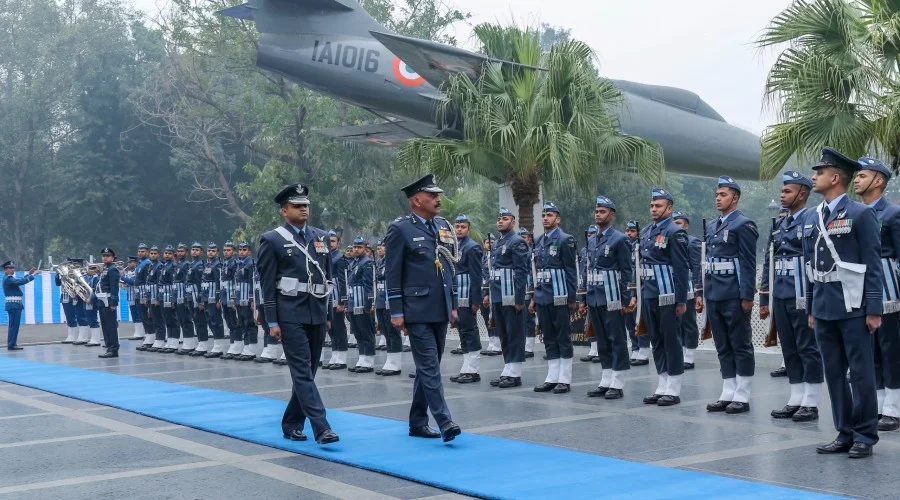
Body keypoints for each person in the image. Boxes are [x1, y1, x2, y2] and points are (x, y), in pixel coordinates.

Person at [806, 147, 882, 459]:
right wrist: (811, 306)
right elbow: (809, 265)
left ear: (835, 177)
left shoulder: (860, 214)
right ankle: (844, 431)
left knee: (861, 372)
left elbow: (872, 263)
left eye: (820, 172)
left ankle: (865, 434)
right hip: (823, 306)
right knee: (834, 372)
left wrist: (874, 309)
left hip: (853, 306)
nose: (815, 176)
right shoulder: (814, 217)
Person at [258, 182, 338, 445]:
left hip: (315, 311)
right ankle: (322, 427)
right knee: (302, 371)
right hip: (289, 313)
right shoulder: (272, 240)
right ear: (284, 210)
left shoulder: (321, 237)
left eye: (306, 206)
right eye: (297, 206)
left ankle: (291, 422)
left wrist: (327, 313)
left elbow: (327, 277)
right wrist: (271, 320)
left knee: (309, 372)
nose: (303, 210)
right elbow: (267, 284)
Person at [385, 173, 461, 442]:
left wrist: (452, 304)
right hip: (415, 309)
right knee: (429, 367)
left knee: (429, 367)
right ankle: (445, 421)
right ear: (417, 200)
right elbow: (392, 272)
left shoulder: (441, 226)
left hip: (439, 307)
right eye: (432, 196)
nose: (438, 199)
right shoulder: (400, 228)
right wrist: (396, 311)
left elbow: (450, 267)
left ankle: (417, 422)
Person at [760, 171, 823, 422]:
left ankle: (812, 401)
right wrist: (765, 296)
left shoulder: (812, 218)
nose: (782, 195)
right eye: (782, 190)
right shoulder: (781, 224)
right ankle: (796, 397)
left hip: (802, 291)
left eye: (787, 191)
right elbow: (770, 261)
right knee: (789, 348)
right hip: (782, 292)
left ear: (803, 193)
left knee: (808, 347)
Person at [703, 177, 758, 414]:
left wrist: (747, 295)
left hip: (734, 293)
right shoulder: (712, 226)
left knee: (740, 343)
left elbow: (748, 262)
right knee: (722, 343)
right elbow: (707, 262)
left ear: (734, 197)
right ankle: (728, 390)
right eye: (717, 194)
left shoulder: (743, 225)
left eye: (723, 194)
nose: (718, 198)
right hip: (715, 292)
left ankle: (743, 394)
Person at [854, 157, 900, 432]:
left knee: (890, 348)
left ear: (879, 180)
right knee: (871, 352)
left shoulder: (892, 214)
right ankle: (880, 405)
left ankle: (893, 408)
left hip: (888, 289)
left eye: (863, 175)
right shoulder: (857, 212)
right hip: (860, 288)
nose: (857, 180)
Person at [639, 188, 690, 407]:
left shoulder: (674, 231)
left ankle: (674, 387)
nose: (653, 209)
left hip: (667, 292)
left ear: (669, 208)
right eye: (652, 205)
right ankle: (662, 384)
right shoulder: (647, 231)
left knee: (671, 340)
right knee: (656, 340)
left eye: (658, 206)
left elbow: (681, 268)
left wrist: (681, 300)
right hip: (649, 292)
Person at [584, 196, 634, 399]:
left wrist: (625, 299)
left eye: (603, 211)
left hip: (612, 296)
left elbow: (626, 271)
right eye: (597, 211)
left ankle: (618, 382)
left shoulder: (620, 239)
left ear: (612, 215)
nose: (598, 214)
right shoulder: (592, 239)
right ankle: (606, 379)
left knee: (616, 338)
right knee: (602, 340)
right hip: (595, 295)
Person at [531, 202, 577, 394]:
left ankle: (564, 379)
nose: (545, 219)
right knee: (548, 337)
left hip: (559, 295)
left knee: (562, 337)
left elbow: (570, 271)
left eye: (549, 215)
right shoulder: (539, 240)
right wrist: (534, 296)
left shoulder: (565, 239)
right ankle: (552, 376)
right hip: (543, 296)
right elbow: (537, 271)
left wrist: (572, 298)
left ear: (557, 219)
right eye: (543, 215)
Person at [487, 207, 530, 388]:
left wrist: (519, 299)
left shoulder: (517, 242)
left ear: (513, 222)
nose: (500, 221)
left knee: (514, 334)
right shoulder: (498, 242)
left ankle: (515, 372)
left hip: (511, 295)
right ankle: (508, 369)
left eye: (504, 219)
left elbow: (521, 272)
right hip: (498, 294)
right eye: (499, 219)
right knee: (503, 334)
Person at [449, 214, 484, 384]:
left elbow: (477, 276)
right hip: (456, 295)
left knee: (470, 331)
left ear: (468, 228)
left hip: (467, 294)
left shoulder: (473, 247)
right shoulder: (453, 247)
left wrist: (476, 300)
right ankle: (466, 367)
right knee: (462, 331)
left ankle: (474, 369)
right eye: (457, 226)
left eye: (463, 226)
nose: (459, 229)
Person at [672, 212, 703, 369]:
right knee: (676, 322)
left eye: (678, 223)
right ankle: (681, 351)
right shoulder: (670, 241)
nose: (675, 225)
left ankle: (689, 355)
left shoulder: (692, 242)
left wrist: (698, 290)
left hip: (689, 286)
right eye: (673, 223)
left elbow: (696, 267)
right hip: (673, 286)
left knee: (688, 321)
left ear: (686, 225)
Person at [348, 236, 376, 373]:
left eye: (359, 247)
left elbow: (369, 285)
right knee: (358, 332)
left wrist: (369, 303)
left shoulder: (367, 263)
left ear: (365, 249)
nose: (356, 250)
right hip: (353, 301)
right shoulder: (354, 262)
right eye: (355, 247)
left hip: (362, 302)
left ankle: (369, 361)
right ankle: (362, 358)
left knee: (366, 332)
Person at [374, 240, 403, 376]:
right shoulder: (379, 262)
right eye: (378, 248)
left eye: (383, 247)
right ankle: (390, 360)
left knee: (393, 332)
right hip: (380, 299)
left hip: (390, 299)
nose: (380, 250)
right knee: (385, 330)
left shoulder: (393, 260)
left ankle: (395, 363)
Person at [624, 221, 650, 365]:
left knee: (640, 319)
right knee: (629, 321)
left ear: (638, 233)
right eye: (627, 230)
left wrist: (635, 291)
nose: (629, 233)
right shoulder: (623, 247)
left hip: (639, 288)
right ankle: (635, 348)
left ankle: (644, 349)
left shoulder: (640, 246)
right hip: (626, 288)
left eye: (632, 231)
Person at [324, 231, 350, 370]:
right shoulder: (325, 256)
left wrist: (342, 301)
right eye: (328, 241)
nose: (330, 244)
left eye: (333, 241)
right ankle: (335, 354)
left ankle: (342, 357)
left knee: (339, 327)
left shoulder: (339, 258)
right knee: (331, 328)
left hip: (336, 296)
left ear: (338, 243)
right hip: (327, 297)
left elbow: (343, 280)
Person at [3, 261, 37, 350]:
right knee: (14, 326)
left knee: (13, 326)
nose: (13, 269)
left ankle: (12, 343)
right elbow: (20, 281)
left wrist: (29, 274)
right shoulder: (8, 279)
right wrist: (32, 276)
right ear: (6, 270)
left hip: (14, 305)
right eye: (10, 268)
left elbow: (19, 280)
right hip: (14, 305)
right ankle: (11, 344)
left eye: (13, 268)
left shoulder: (8, 278)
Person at [201, 243, 227, 357]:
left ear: (217, 252)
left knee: (216, 321)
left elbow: (218, 282)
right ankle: (216, 344)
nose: (210, 252)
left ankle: (218, 346)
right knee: (210, 320)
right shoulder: (207, 264)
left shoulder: (217, 264)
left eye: (213, 250)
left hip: (213, 296)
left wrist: (218, 298)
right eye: (209, 250)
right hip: (206, 296)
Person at [234, 241, 258, 361]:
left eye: (244, 250)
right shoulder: (239, 264)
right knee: (242, 323)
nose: (242, 252)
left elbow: (252, 282)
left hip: (247, 297)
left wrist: (252, 298)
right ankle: (246, 346)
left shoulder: (251, 263)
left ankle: (252, 349)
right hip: (239, 297)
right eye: (240, 249)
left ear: (249, 251)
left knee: (250, 323)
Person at [580, 225, 600, 363]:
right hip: (587, 286)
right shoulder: (584, 250)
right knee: (590, 320)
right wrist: (582, 298)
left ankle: (600, 350)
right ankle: (593, 349)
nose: (590, 236)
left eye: (594, 234)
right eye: (589, 234)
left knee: (600, 321)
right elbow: (583, 272)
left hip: (600, 288)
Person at [480, 236, 503, 357]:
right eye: (488, 242)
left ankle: (497, 343)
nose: (490, 244)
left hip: (492, 290)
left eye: (492, 242)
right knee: (486, 317)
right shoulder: (483, 257)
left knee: (494, 316)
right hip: (482, 289)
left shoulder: (496, 256)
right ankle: (491, 341)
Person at [188, 242, 211, 356]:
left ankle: (203, 344)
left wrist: (201, 300)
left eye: (197, 250)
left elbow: (200, 283)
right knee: (196, 320)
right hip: (191, 295)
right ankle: (200, 343)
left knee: (201, 321)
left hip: (197, 295)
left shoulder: (200, 265)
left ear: (201, 252)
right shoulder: (192, 264)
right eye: (193, 249)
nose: (194, 251)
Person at [96, 248, 121, 358]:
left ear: (113, 257)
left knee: (111, 326)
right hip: (102, 301)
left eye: (108, 255)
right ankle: (109, 346)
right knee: (105, 325)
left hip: (108, 300)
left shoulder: (112, 269)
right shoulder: (105, 269)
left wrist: (113, 302)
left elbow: (114, 287)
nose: (105, 257)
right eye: (104, 255)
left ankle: (114, 349)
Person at [221, 241, 244, 359]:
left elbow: (236, 281)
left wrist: (235, 298)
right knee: (229, 321)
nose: (226, 252)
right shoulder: (224, 263)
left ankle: (238, 345)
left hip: (232, 295)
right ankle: (232, 344)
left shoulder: (235, 263)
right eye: (225, 250)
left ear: (234, 252)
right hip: (225, 296)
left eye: (229, 250)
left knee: (235, 322)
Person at [174, 243, 197, 354]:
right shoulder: (178, 264)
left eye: (182, 251)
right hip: (177, 296)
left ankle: (189, 344)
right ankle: (186, 342)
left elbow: (186, 282)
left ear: (186, 253)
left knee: (187, 320)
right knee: (181, 320)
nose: (180, 253)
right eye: (178, 251)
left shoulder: (186, 264)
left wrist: (186, 297)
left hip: (184, 295)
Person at [159, 245, 181, 354]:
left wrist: (173, 298)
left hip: (169, 294)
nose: (166, 255)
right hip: (164, 295)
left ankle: (175, 342)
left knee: (173, 319)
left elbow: (173, 283)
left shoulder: (173, 266)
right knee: (167, 319)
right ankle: (170, 340)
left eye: (169, 253)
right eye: (165, 253)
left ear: (173, 255)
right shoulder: (164, 265)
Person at [135, 244, 157, 350]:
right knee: (143, 316)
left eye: (143, 251)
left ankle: (151, 338)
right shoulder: (140, 263)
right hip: (139, 291)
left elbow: (147, 280)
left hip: (144, 291)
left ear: (147, 252)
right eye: (139, 251)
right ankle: (148, 336)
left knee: (147, 316)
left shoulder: (147, 263)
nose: (140, 253)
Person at [122, 256, 144, 340]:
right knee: (134, 314)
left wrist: (123, 277)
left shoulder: (137, 271)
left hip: (137, 295)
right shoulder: (127, 272)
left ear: (136, 263)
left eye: (131, 262)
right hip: (130, 295)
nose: (129, 264)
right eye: (128, 262)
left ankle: (140, 333)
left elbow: (133, 282)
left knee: (139, 314)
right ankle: (137, 332)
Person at [58, 258, 80, 344]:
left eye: (67, 264)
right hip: (65, 295)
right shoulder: (63, 273)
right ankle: (71, 335)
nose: (66, 266)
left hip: (73, 295)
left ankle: (75, 336)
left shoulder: (74, 272)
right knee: (68, 316)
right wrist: (58, 275)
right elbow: (58, 283)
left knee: (73, 316)